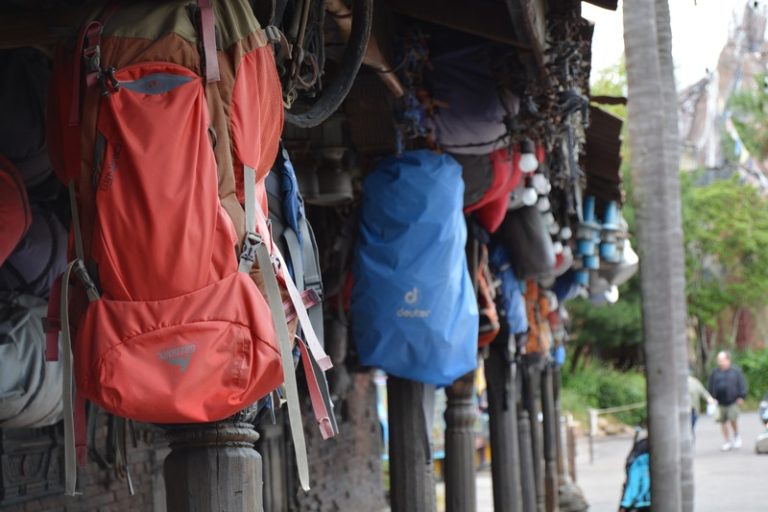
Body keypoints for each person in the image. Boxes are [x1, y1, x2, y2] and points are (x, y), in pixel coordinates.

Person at [707, 351, 748, 451]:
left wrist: (741, 396)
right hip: (720, 402)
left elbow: (742, 384)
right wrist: (711, 397)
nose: (720, 362)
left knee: (733, 419)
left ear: (727, 360)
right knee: (723, 422)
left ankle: (736, 436)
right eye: (719, 360)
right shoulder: (715, 372)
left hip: (733, 401)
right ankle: (727, 441)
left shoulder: (735, 371)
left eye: (722, 360)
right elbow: (711, 385)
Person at [688, 372, 716, 439]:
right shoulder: (676, 382)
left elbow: (703, 391)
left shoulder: (694, 382)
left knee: (690, 430)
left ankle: (690, 445)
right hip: (682, 412)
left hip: (693, 410)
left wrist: (709, 399)